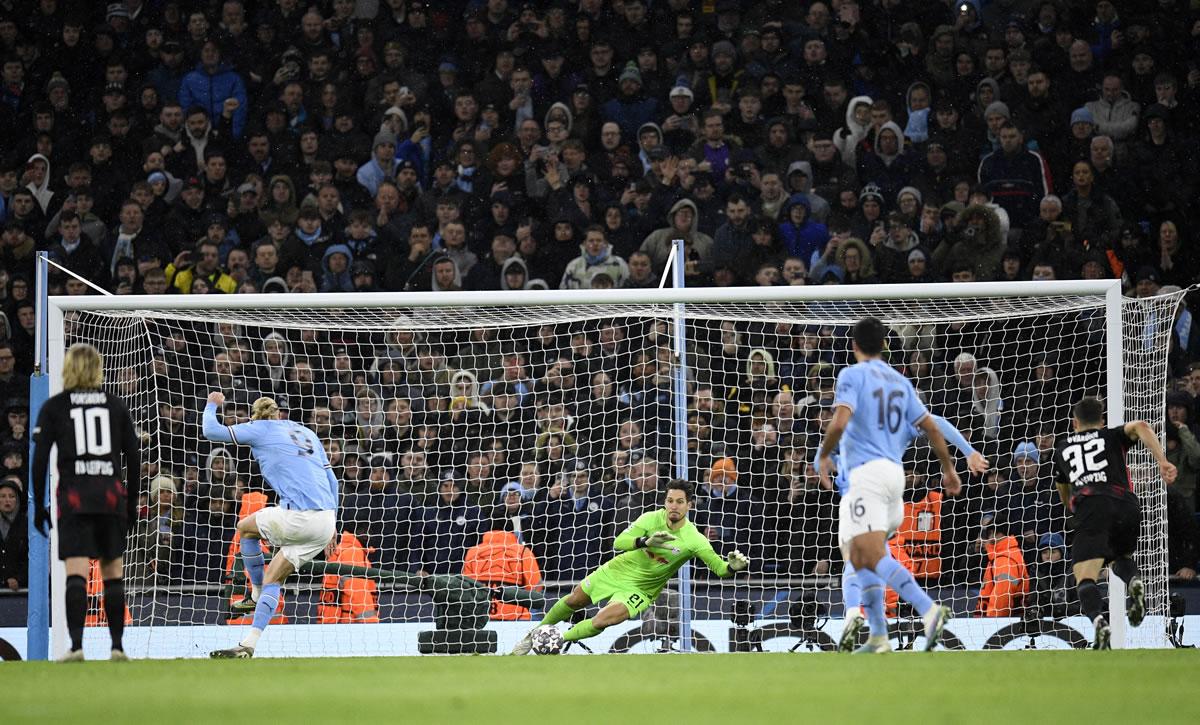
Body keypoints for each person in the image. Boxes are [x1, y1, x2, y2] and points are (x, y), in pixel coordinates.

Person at [816, 317, 961, 654]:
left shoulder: (852, 375)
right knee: (860, 556)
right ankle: (879, 635)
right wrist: (949, 469)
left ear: (854, 346)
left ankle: (929, 610)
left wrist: (824, 455)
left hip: (866, 477)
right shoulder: (901, 382)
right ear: (884, 345)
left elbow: (839, 421)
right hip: (895, 479)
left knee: (867, 554)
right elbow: (932, 428)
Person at [510, 479, 748, 654]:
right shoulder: (649, 519)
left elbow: (719, 569)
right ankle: (532, 636)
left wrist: (732, 567)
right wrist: (645, 541)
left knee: (605, 619)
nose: (673, 506)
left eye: (679, 502)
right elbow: (618, 542)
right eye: (669, 501)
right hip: (617, 570)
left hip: (641, 589)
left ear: (689, 506)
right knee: (574, 601)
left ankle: (557, 638)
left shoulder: (694, 539)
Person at [202, 392, 338, 659]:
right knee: (274, 577)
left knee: (244, 527)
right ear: (278, 413)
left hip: (299, 516)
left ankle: (253, 593)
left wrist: (212, 404)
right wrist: (333, 522)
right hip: (325, 521)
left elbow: (211, 431)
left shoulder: (258, 429)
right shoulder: (306, 431)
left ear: (255, 416)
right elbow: (332, 479)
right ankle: (249, 644)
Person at [837, 414, 989, 651]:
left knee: (854, 552)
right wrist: (968, 451)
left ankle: (853, 614)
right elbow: (937, 423)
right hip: (893, 500)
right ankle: (921, 613)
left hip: (873, 494)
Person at [30, 343, 140, 661]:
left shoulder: (55, 407)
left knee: (76, 572)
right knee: (112, 572)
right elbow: (133, 457)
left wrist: (39, 506)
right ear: (97, 369)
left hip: (74, 499)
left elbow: (39, 461)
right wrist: (130, 503)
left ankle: (76, 647)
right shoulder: (115, 405)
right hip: (110, 497)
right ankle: (117, 648)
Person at [1051, 397, 1177, 649]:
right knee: (1119, 557)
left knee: (1084, 576)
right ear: (1102, 420)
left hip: (1092, 505)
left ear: (1074, 423)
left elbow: (1062, 487)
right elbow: (1141, 425)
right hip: (1127, 504)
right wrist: (1162, 461)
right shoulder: (1111, 436)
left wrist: (1071, 508)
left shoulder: (1063, 447)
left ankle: (1099, 622)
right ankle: (1134, 583)